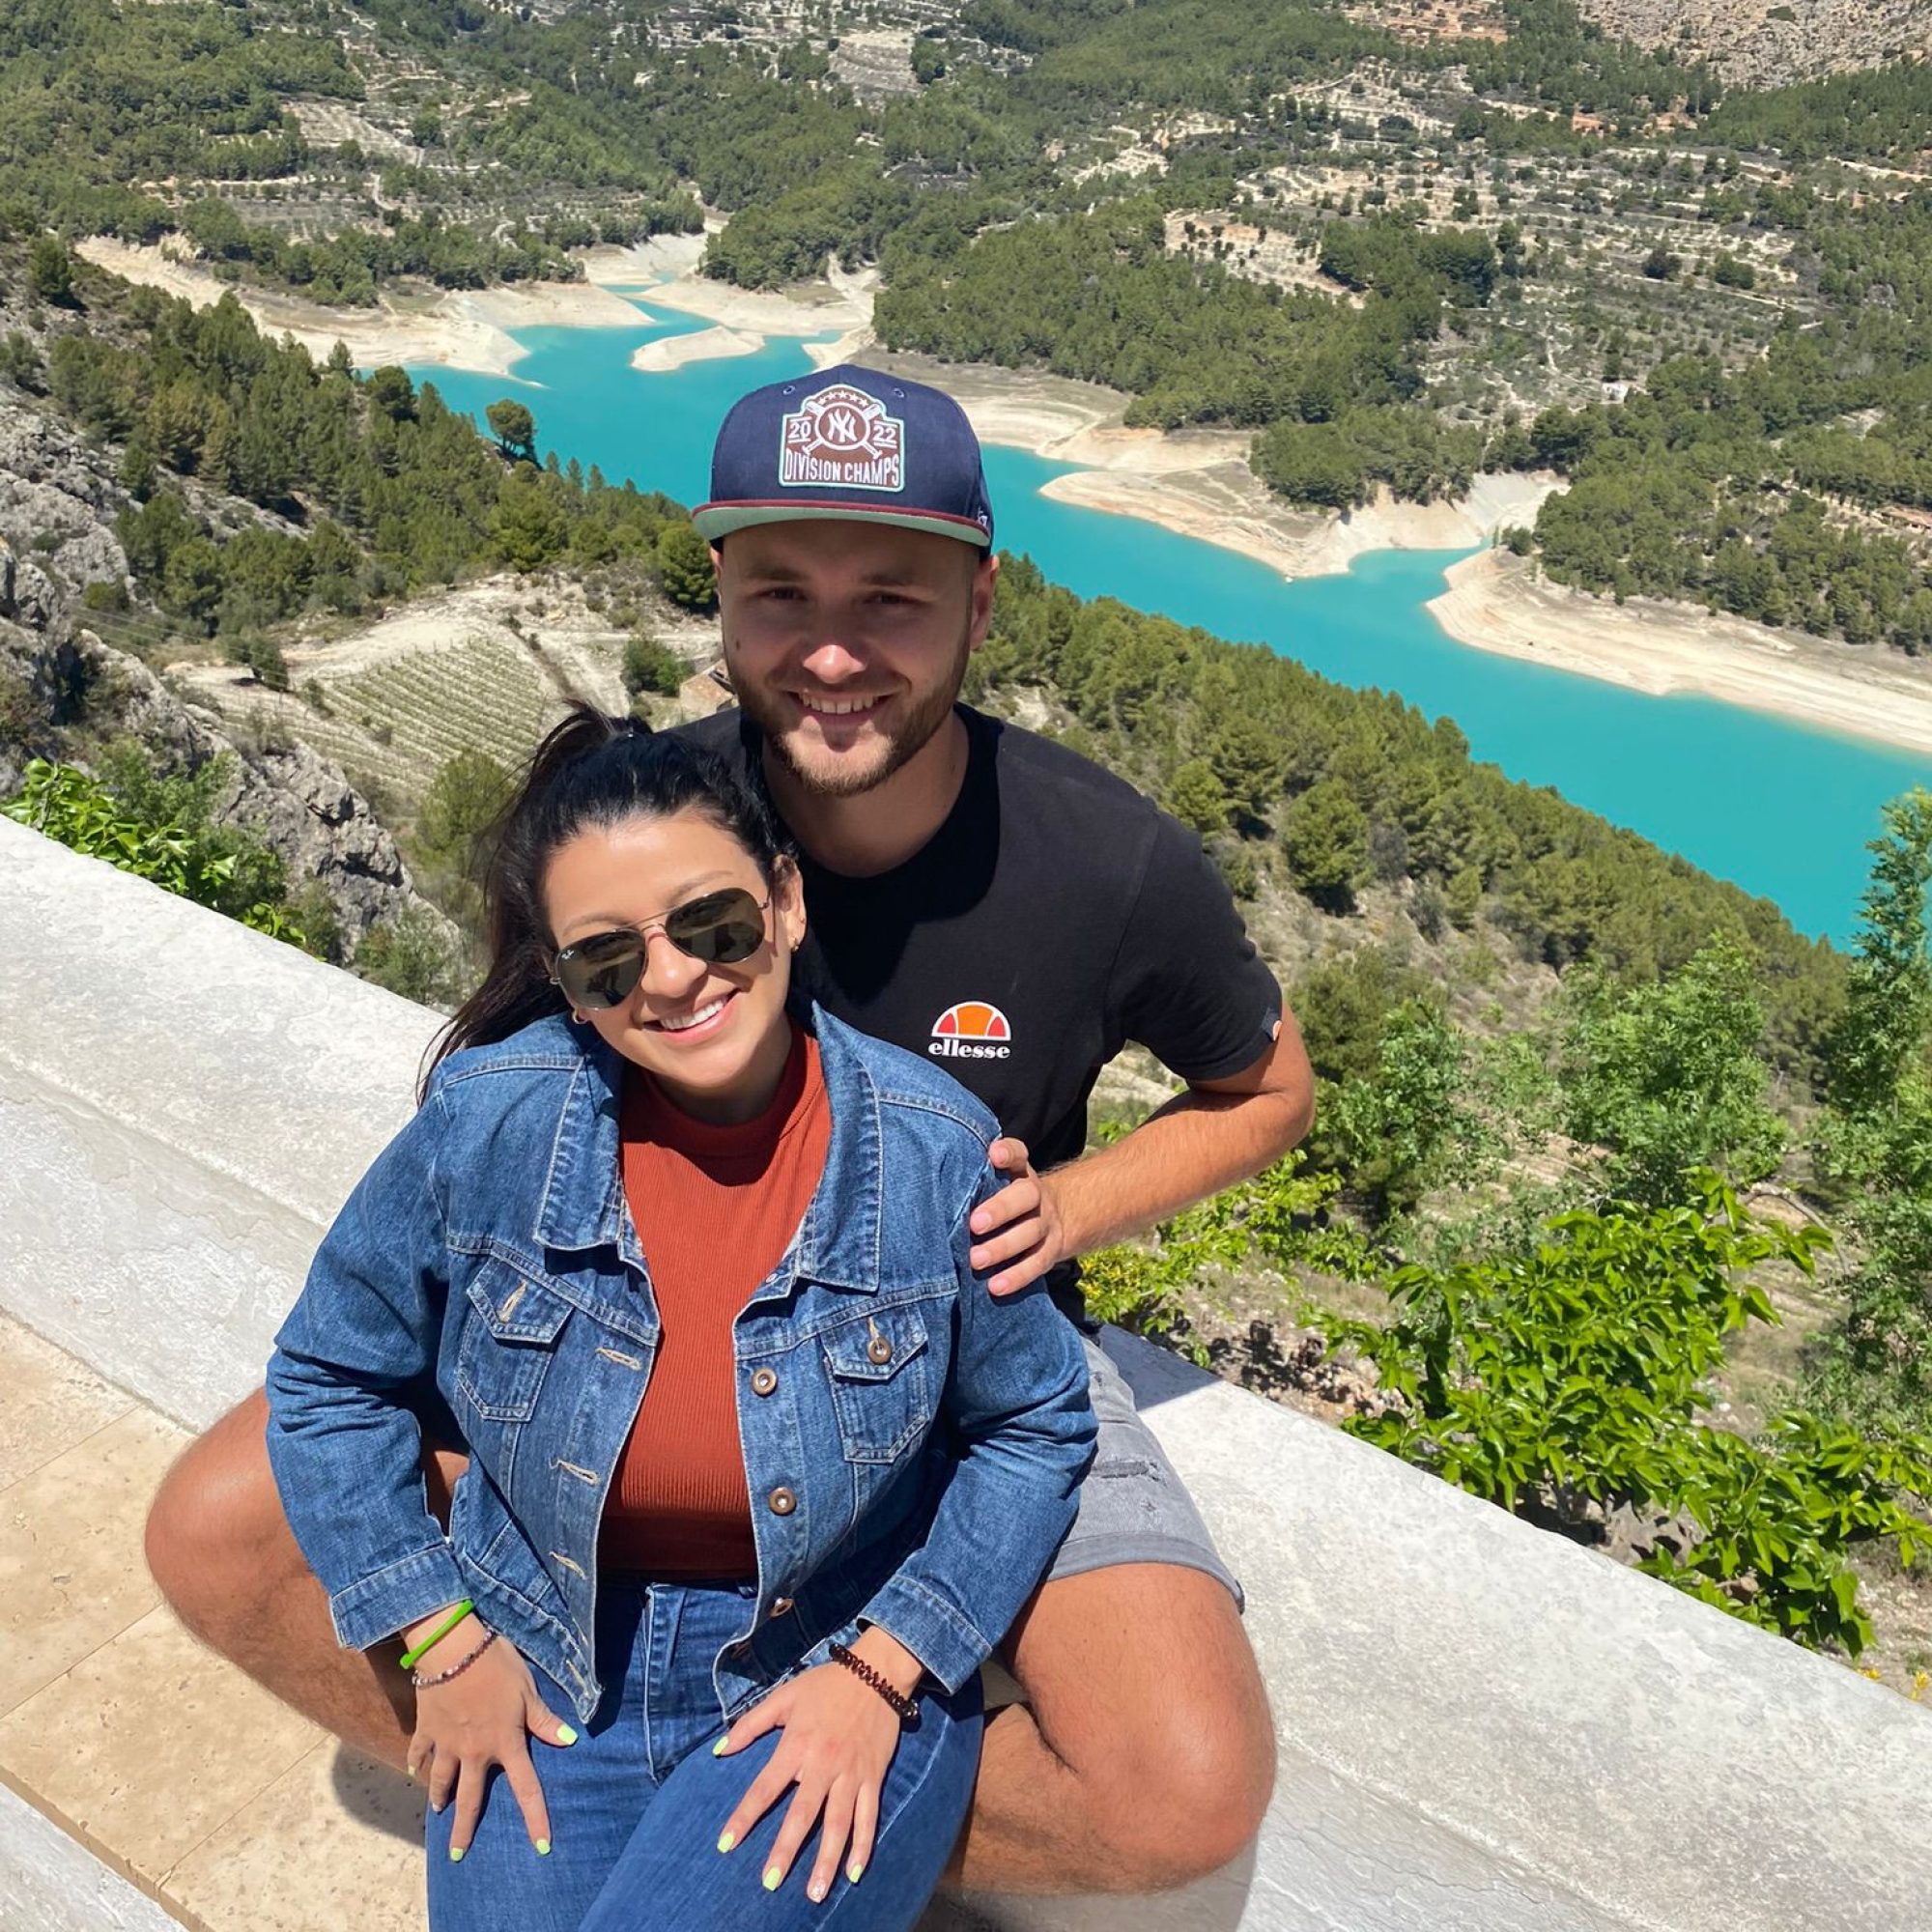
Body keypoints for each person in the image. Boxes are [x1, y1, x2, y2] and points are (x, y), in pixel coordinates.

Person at [146, 363, 1316, 1896]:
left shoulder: (1104, 861)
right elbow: (512, 1104)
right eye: (782, 594)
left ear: (981, 601)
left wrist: (1076, 1209)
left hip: (968, 1326)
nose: (833, 650)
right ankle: (581, 1785)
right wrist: (444, 1637)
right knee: (220, 1532)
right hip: (634, 1284)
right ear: (722, 601)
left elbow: (1271, 1088)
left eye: (892, 597)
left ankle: (800, 1825)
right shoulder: (637, 821)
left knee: (1182, 1788)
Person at [265, 709, 1094, 1930]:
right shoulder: (488, 1126)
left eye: (714, 924)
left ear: (788, 903)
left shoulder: (935, 1154)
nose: (670, 978)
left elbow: (1032, 1426)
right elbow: (328, 1377)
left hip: (827, 1655)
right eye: (609, 958)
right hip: (549, 1642)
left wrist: (884, 1665)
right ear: (565, 984)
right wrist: (440, 1636)